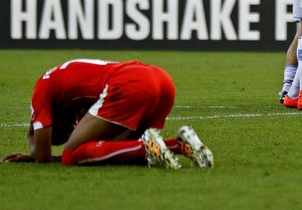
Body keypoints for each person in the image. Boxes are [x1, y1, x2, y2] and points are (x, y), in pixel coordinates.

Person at [2, 59, 213, 168]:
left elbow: (42, 157)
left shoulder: (41, 91)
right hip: (161, 80)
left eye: (67, 127)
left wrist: (32, 154)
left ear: (53, 119)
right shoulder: (69, 89)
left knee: (71, 155)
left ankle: (147, 146)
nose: (74, 126)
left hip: (132, 84)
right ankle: (179, 144)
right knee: (118, 152)